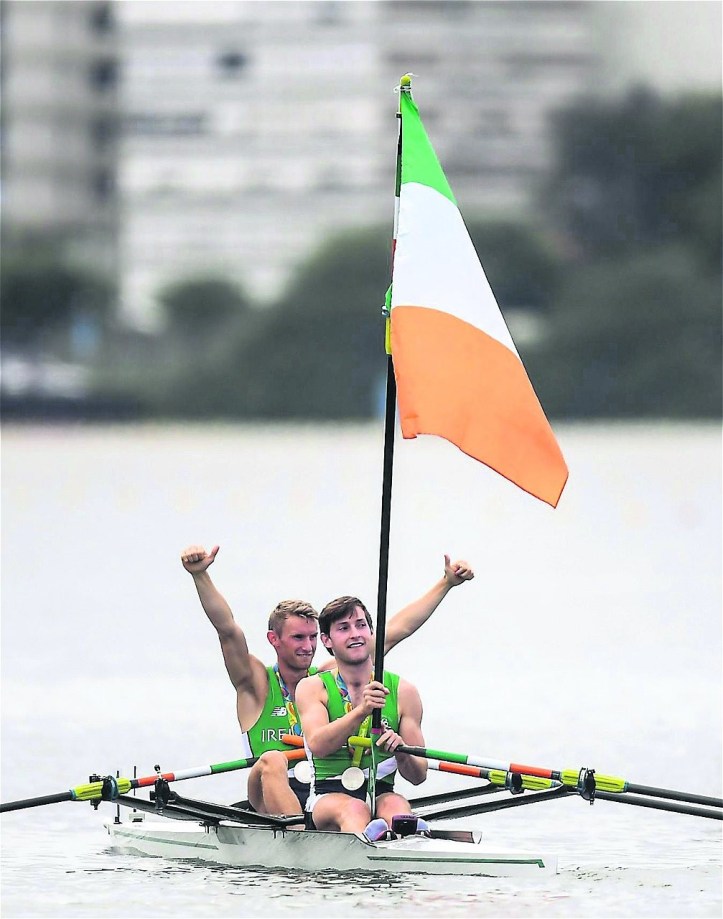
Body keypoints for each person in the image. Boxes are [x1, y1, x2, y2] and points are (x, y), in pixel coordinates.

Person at [181, 544, 472, 816]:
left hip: (325, 789)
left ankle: (337, 828)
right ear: (274, 639)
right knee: (272, 758)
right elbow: (227, 630)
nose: (308, 647)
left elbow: (397, 630)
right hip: (270, 789)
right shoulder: (255, 683)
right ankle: (299, 834)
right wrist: (200, 575)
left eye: (312, 637)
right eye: (298, 637)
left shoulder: (325, 679)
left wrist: (446, 583)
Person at [295, 595, 426, 838]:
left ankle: (407, 838)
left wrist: (401, 752)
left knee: (396, 805)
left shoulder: (404, 692)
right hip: (327, 796)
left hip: (382, 793)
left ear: (371, 633)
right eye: (344, 628)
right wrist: (362, 711)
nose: (355, 634)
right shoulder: (312, 688)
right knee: (355, 808)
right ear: (326, 640)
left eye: (361, 625)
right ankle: (371, 844)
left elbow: (419, 776)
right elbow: (318, 745)